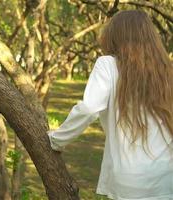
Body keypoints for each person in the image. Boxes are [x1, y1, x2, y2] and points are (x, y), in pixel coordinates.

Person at [47, 10, 173, 200]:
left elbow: (89, 109)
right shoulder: (166, 70)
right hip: (167, 177)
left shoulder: (108, 65)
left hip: (131, 181)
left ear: (115, 35)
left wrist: (57, 140)